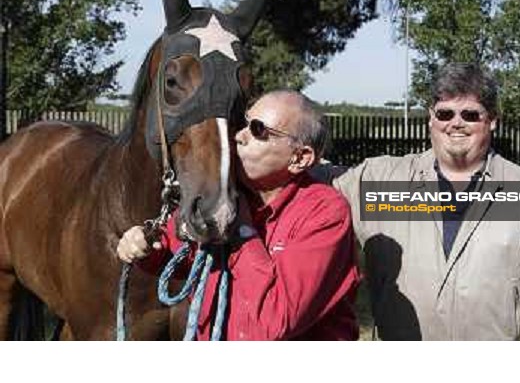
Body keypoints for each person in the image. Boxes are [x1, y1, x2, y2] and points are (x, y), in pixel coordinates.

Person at [327, 63, 520, 340]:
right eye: (445, 113)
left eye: (470, 114)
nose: (456, 123)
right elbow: (307, 185)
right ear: (430, 118)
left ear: (492, 119)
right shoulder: (380, 179)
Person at [117, 90, 360, 341]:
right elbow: (174, 251)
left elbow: (271, 326)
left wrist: (241, 226)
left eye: (257, 130)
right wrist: (144, 247)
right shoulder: (224, 196)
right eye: (244, 123)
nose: (238, 136)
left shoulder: (325, 213)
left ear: (300, 158)